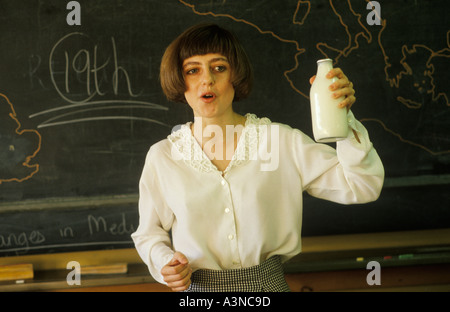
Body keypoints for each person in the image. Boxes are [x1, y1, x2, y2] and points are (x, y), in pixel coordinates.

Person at [131, 23, 384, 292]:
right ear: (180, 81)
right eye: (193, 70)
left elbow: (363, 186)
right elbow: (149, 233)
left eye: (219, 68)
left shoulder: (279, 140)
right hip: (199, 292)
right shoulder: (164, 156)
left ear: (235, 76)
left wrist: (342, 117)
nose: (207, 80)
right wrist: (165, 263)